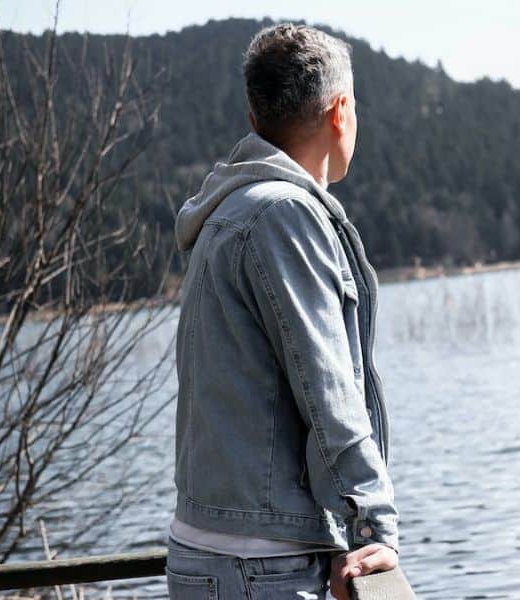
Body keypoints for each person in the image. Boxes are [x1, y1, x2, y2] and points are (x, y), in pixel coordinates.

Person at [165, 23, 399, 600]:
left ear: (254, 121)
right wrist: (372, 524)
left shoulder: (229, 210)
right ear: (340, 111)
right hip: (260, 564)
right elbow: (326, 388)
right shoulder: (283, 217)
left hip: (207, 546)